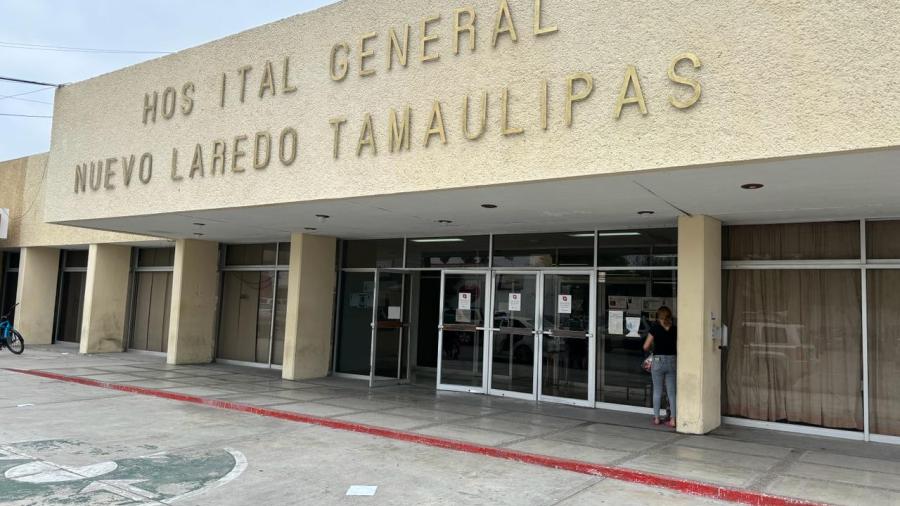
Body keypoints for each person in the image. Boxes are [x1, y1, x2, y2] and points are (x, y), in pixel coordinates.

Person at [643, 306, 677, 428]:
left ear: (659, 316)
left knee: (657, 391)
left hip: (658, 360)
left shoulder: (655, 328)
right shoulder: (674, 329)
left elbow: (645, 346)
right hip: (672, 360)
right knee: (672, 393)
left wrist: (654, 348)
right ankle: (673, 420)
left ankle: (657, 418)